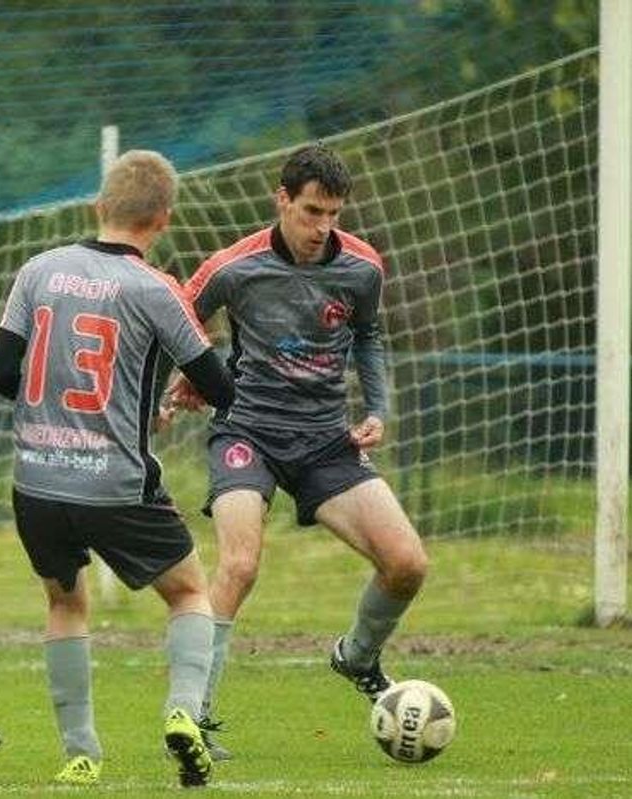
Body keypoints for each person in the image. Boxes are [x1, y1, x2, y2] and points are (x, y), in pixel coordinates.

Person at [0, 150, 234, 788]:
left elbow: (1, 374)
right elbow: (216, 382)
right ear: (163, 220)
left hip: (36, 480)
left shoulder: (37, 271)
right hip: (115, 482)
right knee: (189, 594)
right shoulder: (156, 289)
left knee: (66, 605)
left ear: (99, 205)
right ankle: (183, 712)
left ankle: (81, 753)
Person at [173, 143, 429, 757]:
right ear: (282, 200)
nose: (322, 228)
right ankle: (190, 718)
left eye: (333, 214)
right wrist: (190, 372)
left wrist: (376, 411)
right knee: (240, 564)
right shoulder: (234, 265)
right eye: (312, 211)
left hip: (324, 440)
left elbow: (368, 336)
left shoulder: (363, 268)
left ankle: (357, 658)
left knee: (407, 563)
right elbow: (174, 315)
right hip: (248, 431)